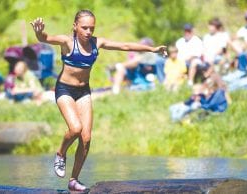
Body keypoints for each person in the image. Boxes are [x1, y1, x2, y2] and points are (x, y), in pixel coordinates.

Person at [30, 10, 167, 192]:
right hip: (64, 89)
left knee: (86, 139)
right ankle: (60, 153)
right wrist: (39, 33)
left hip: (84, 91)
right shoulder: (67, 42)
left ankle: (73, 180)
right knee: (76, 129)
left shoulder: (97, 43)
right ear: (75, 26)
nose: (88, 32)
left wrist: (152, 49)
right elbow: (46, 38)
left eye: (91, 28)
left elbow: (125, 46)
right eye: (84, 27)